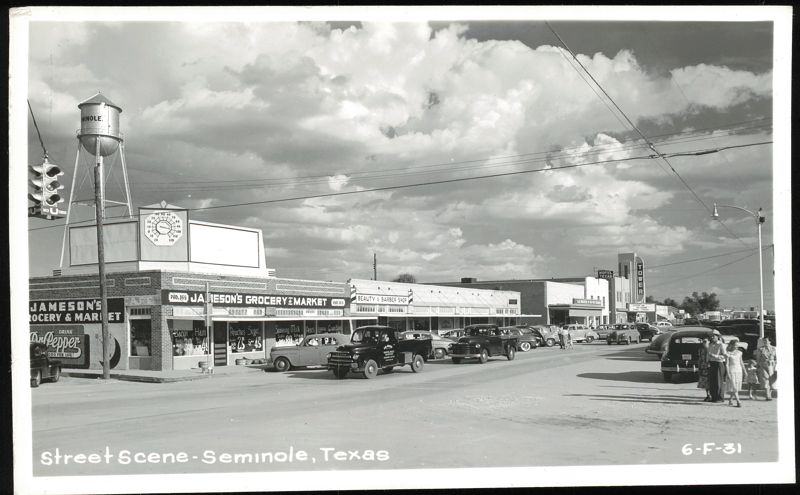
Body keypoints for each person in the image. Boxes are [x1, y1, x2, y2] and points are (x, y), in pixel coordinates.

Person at [724, 340, 746, 407]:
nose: (737, 346)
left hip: (739, 371)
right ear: (731, 345)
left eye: (737, 345)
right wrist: (728, 373)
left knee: (736, 386)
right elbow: (727, 364)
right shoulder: (728, 353)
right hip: (731, 370)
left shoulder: (740, 353)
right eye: (735, 345)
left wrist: (745, 371)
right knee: (733, 386)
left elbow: (741, 362)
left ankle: (730, 399)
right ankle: (738, 401)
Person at [707, 333, 727, 403]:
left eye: (714, 336)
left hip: (719, 363)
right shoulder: (710, 344)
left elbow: (724, 355)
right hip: (711, 363)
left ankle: (720, 397)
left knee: (718, 381)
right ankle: (714, 397)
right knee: (712, 381)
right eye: (711, 336)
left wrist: (715, 356)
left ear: (717, 337)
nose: (712, 337)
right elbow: (708, 354)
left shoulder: (721, 344)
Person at [696, 337, 712, 402]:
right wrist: (699, 367)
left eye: (705, 341)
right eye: (703, 341)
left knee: (711, 382)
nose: (704, 343)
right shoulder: (701, 349)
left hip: (710, 367)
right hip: (703, 367)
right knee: (705, 383)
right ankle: (708, 395)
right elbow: (699, 358)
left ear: (709, 341)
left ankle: (711, 395)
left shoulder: (711, 348)